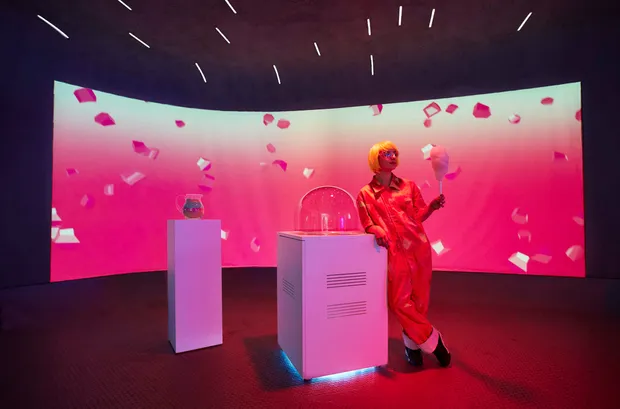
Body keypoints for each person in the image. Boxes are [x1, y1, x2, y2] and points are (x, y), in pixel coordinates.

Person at [356, 140, 451, 368]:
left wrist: (431, 207)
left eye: (394, 152)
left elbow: (417, 216)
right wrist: (375, 228)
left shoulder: (409, 186)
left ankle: (411, 346)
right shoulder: (365, 194)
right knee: (399, 302)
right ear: (375, 159)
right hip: (392, 253)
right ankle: (434, 341)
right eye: (386, 153)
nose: (392, 156)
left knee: (419, 302)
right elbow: (367, 223)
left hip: (418, 248)